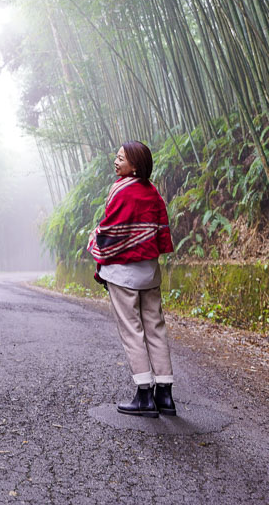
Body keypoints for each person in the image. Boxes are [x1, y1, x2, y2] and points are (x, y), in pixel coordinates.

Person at [87, 141, 176, 418]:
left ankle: (144, 396)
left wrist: (95, 238)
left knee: (132, 331)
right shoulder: (153, 192)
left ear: (135, 165)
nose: (116, 161)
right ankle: (165, 394)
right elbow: (159, 231)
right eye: (116, 157)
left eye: (121, 158)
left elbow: (113, 231)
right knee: (155, 329)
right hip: (149, 272)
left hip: (123, 273)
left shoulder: (122, 190)